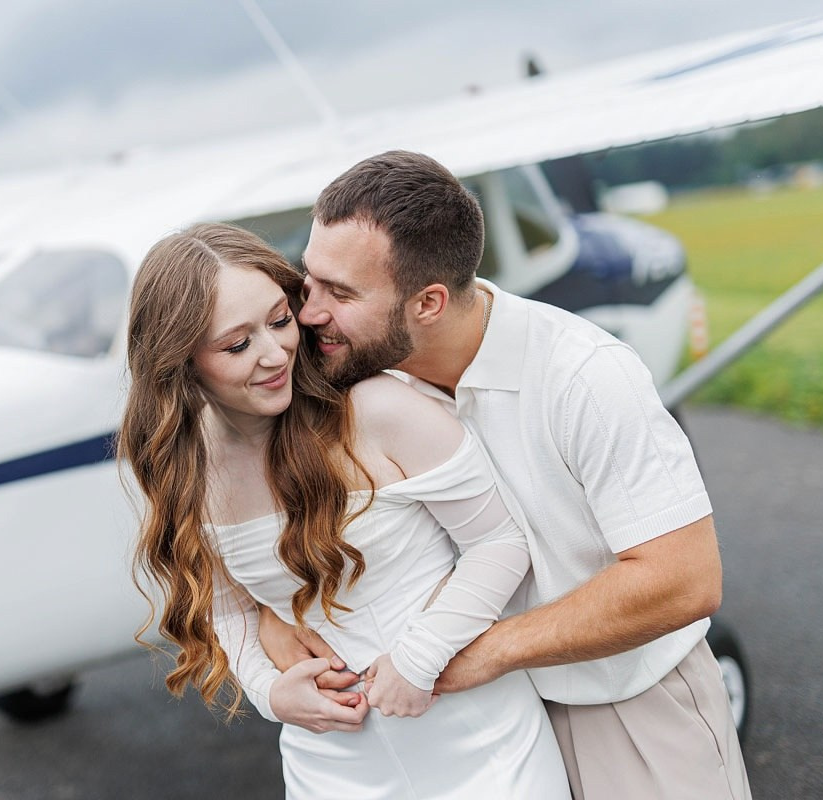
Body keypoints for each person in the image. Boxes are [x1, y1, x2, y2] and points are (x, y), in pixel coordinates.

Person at [257, 150, 751, 800]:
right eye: (310, 279)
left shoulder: (586, 375)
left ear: (429, 302)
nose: (308, 312)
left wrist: (483, 653)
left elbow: (684, 580)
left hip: (625, 705)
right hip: (481, 734)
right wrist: (272, 622)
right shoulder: (345, 375)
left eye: (341, 293)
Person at [118, 222, 570, 798]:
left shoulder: (377, 409)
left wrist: (418, 660)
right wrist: (271, 694)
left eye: (280, 321)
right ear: (180, 362)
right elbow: (230, 611)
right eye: (237, 345)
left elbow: (501, 542)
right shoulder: (185, 467)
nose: (274, 353)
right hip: (330, 764)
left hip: (478, 738)